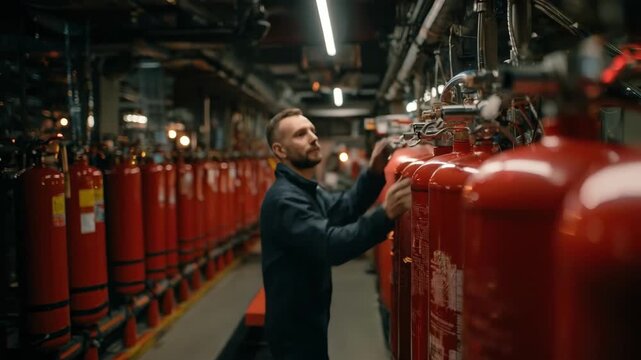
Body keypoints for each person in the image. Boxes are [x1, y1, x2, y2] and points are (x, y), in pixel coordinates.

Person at [260, 108, 412, 359]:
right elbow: (331, 245)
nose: (313, 137)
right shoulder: (285, 201)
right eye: (300, 134)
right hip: (294, 328)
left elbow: (344, 208)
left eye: (312, 131)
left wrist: (373, 174)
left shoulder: (305, 190)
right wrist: (385, 216)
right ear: (280, 151)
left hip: (309, 317)